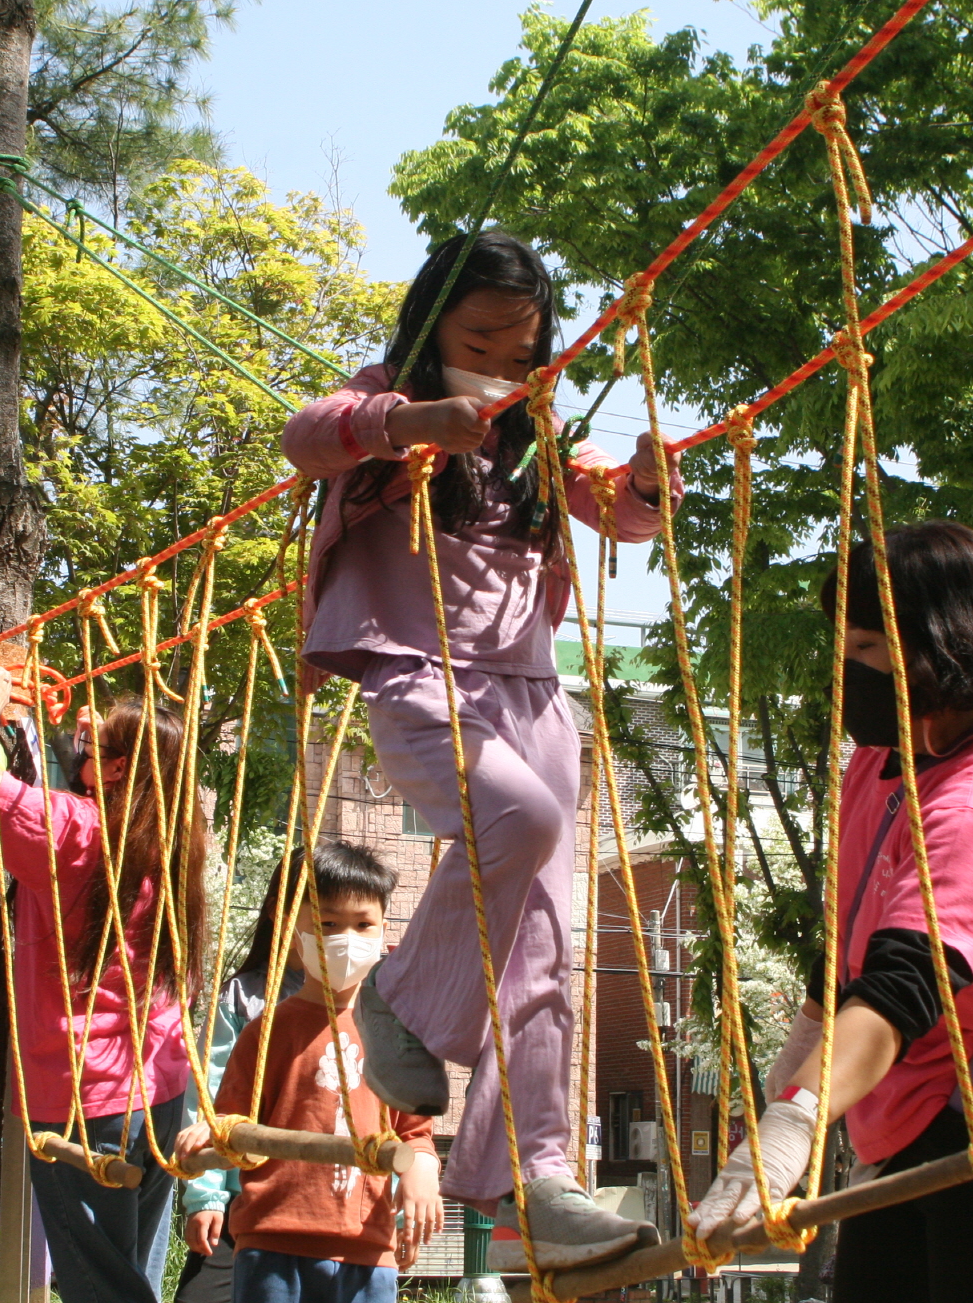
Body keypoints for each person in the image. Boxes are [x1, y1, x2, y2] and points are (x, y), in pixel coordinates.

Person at [279, 230, 679, 1270]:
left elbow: (618, 515)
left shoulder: (535, 433)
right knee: (524, 822)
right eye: (481, 335)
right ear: (430, 328)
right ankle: (400, 999)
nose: (503, 357)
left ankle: (534, 1179)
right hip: (419, 677)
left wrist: (641, 481)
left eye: (522, 341)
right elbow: (307, 432)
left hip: (532, 695)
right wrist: (409, 420)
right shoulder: (388, 404)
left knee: (543, 940)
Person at [686, 521, 973, 1303]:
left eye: (870, 650)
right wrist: (803, 1055)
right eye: (844, 650)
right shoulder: (878, 766)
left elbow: (905, 986)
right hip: (901, 1104)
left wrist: (795, 1123)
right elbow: (858, 945)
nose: (849, 672)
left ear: (941, 648)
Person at [0, 669, 208, 1303]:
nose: (86, 734)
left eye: (103, 741)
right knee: (129, 1272)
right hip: (162, 1086)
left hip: (85, 1095)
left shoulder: (78, 830)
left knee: (100, 1284)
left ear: (122, 770)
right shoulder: (175, 838)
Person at [176, 843, 441, 1303]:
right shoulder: (266, 1030)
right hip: (273, 1239)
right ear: (294, 931)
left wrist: (420, 1176)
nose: (346, 938)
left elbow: (415, 1133)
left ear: (383, 932)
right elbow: (229, 1115)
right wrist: (207, 1159)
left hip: (367, 1245)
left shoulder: (400, 1034)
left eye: (363, 925)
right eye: (327, 924)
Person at [174, 854, 305, 1303]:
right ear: (276, 910)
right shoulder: (246, 998)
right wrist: (207, 1195)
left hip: (333, 1203)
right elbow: (208, 1096)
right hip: (243, 1198)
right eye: (316, 915)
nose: (334, 934)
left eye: (356, 922)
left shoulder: (370, 1007)